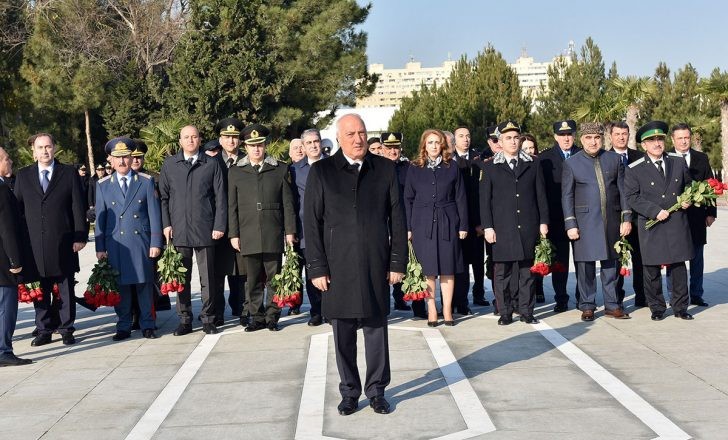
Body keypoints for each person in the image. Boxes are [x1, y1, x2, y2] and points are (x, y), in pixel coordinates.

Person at [304, 113, 407, 416]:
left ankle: (377, 391)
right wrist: (317, 267)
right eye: (350, 134)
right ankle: (350, 392)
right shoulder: (322, 171)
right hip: (337, 267)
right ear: (338, 139)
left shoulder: (385, 169)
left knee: (376, 330)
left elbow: (398, 220)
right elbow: (311, 222)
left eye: (361, 133)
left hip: (376, 262)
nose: (358, 139)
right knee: (344, 333)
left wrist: (397, 261)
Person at [14, 133, 87, 346]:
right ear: (33, 151)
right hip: (34, 244)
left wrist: (80, 235)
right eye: (40, 147)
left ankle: (66, 328)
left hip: (63, 242)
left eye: (48, 146)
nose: (45, 151)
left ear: (54, 148)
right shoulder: (24, 175)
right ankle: (44, 329)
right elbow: (17, 210)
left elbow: (77, 206)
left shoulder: (68, 173)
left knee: (65, 288)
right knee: (41, 289)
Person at [228, 124, 296, 332]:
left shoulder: (279, 169)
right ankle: (256, 317)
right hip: (248, 232)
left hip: (272, 231)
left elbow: (287, 203)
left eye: (260, 145)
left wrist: (290, 231)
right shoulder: (236, 171)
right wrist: (234, 234)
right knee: (253, 279)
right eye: (252, 145)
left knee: (274, 277)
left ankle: (272, 315)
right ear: (245, 147)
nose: (256, 149)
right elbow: (232, 206)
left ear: (265, 145)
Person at [160, 125, 227, 335]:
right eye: (186, 137)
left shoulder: (212, 164)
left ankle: (208, 318)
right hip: (179, 230)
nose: (190, 140)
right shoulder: (170, 165)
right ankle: (185, 319)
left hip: (205, 229)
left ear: (200, 139)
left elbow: (221, 197)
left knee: (208, 279)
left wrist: (219, 225)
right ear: (180, 141)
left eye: (194, 137)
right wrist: (166, 224)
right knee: (182, 279)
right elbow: (163, 198)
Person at [561, 123, 632, 321]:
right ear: (581, 140)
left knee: (611, 265)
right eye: (588, 138)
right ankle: (587, 305)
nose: (593, 142)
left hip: (611, 221)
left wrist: (626, 218)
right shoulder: (572, 163)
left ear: (602, 139)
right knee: (585, 267)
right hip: (584, 223)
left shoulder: (614, 159)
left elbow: (623, 191)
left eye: (597, 138)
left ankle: (612, 305)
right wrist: (570, 224)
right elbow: (566, 196)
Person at [480, 121, 548, 325]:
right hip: (501, 228)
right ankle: (505, 312)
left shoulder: (532, 163)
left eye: (515, 137)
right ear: (500, 141)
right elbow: (485, 201)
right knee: (503, 273)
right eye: (508, 138)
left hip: (527, 225)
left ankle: (527, 311)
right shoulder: (490, 166)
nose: (512, 141)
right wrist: (488, 227)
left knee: (527, 272)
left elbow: (540, 195)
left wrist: (543, 222)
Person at [624, 121, 694, 321]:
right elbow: (632, 197)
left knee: (678, 267)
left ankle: (681, 307)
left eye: (660, 139)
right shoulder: (634, 168)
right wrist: (655, 211)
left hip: (676, 222)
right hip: (652, 224)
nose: (657, 143)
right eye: (651, 140)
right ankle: (657, 308)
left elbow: (688, 185)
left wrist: (687, 198)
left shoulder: (677, 161)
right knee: (651, 269)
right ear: (643, 145)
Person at [94, 138, 163, 340]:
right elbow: (101, 218)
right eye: (118, 158)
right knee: (121, 285)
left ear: (132, 157)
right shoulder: (103, 185)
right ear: (111, 161)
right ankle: (123, 325)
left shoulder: (145, 181)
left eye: (125, 157)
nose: (122, 161)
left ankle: (148, 324)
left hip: (140, 241)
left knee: (144, 284)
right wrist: (100, 246)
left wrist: (156, 242)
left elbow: (154, 214)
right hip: (117, 243)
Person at [404, 129, 468, 326]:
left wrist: (463, 224)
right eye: (430, 142)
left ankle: (447, 309)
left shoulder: (452, 167)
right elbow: (407, 199)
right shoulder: (414, 168)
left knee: (448, 268)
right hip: (422, 223)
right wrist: (408, 227)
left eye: (437, 142)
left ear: (442, 145)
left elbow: (461, 197)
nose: (433, 146)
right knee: (429, 269)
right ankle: (431, 308)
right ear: (424, 145)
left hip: (448, 221)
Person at [668, 123, 716, 307]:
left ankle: (696, 293)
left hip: (697, 216)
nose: (683, 141)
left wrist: (711, 213)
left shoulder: (701, 158)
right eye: (679, 138)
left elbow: (710, 185)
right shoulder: (667, 158)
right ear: (673, 139)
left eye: (686, 137)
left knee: (697, 257)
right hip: (674, 216)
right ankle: (675, 294)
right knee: (675, 258)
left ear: (690, 138)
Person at [381, 132, 427, 319]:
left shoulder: (409, 168)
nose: (393, 151)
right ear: (382, 148)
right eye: (389, 147)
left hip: (405, 221)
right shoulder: (376, 168)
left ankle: (417, 306)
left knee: (411, 263)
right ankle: (383, 307)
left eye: (396, 147)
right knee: (382, 265)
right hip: (382, 222)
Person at [539, 120, 581, 312]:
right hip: (557, 219)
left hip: (580, 217)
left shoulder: (583, 155)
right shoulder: (545, 159)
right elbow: (541, 192)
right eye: (562, 135)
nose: (566, 138)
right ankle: (561, 298)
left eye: (569, 134)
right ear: (555, 136)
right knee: (560, 262)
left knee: (582, 261)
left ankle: (583, 297)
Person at [210, 118, 247, 326]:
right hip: (218, 225)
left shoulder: (246, 160)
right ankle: (218, 312)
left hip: (241, 224)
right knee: (217, 271)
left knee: (242, 271)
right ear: (220, 140)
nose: (231, 141)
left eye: (234, 137)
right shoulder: (212, 162)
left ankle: (242, 309)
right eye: (227, 137)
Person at [290, 128, 328, 324]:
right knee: (312, 270)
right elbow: (291, 202)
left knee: (333, 270)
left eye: (316, 141)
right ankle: (316, 311)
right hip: (306, 229)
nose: (314, 145)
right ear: (303, 146)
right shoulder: (295, 170)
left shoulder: (333, 165)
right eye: (309, 143)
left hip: (331, 227)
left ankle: (331, 310)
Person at [0, 147, 32, 366]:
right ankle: (3, 350)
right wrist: (15, 262)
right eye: (6, 158)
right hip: (3, 262)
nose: (10, 161)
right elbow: (7, 229)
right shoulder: (2, 190)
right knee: (5, 307)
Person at [609, 122, 646, 308]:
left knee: (640, 258)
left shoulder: (640, 157)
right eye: (617, 134)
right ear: (611, 136)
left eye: (624, 133)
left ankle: (642, 296)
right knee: (617, 260)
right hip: (615, 216)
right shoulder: (604, 157)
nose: (621, 137)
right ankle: (617, 298)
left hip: (639, 217)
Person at [452, 126, 488, 312]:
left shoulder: (478, 158)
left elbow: (481, 193)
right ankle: (461, 301)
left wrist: (481, 221)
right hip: (458, 221)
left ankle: (479, 293)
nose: (465, 139)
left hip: (477, 220)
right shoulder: (449, 159)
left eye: (468, 135)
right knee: (461, 264)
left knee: (478, 261)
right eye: (461, 136)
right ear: (454, 139)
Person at [519, 133, 545, 303]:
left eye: (532, 147)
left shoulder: (537, 164)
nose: (530, 151)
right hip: (521, 218)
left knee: (538, 256)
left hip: (535, 217)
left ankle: (539, 288)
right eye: (526, 148)